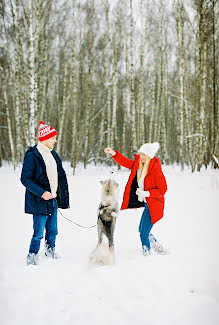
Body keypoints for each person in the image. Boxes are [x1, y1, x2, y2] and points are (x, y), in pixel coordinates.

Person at [104, 143, 167, 256]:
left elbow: (163, 190)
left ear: (149, 156)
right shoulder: (139, 166)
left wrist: (147, 193)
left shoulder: (155, 170)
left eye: (144, 155)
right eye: (140, 154)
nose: (141, 157)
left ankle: (147, 254)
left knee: (143, 233)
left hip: (155, 205)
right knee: (142, 230)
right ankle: (158, 247)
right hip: (148, 205)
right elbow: (126, 162)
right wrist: (113, 153)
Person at [21, 121, 70, 265]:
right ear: (45, 138)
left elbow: (59, 175)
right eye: (53, 138)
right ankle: (32, 256)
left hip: (53, 200)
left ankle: (50, 250)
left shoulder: (53, 154)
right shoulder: (32, 155)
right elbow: (25, 179)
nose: (55, 140)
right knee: (38, 233)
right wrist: (42, 193)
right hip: (39, 201)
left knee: (53, 230)